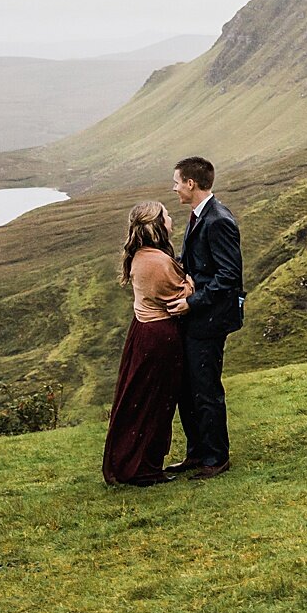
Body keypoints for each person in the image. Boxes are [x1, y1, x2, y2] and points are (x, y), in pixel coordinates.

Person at [103, 201, 194, 486]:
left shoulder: (140, 256)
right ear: (156, 225)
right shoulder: (158, 262)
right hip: (160, 336)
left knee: (139, 398)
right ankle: (142, 467)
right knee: (155, 402)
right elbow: (181, 293)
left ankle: (133, 461)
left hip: (143, 332)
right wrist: (191, 281)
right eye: (166, 215)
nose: (171, 219)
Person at [163, 156, 244, 479]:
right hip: (198, 318)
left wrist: (192, 302)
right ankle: (197, 452)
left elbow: (229, 276)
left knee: (206, 387)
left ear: (191, 183)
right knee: (189, 387)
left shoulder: (218, 220)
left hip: (208, 320)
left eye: (177, 182)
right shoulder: (200, 216)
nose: (174, 188)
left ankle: (216, 457)